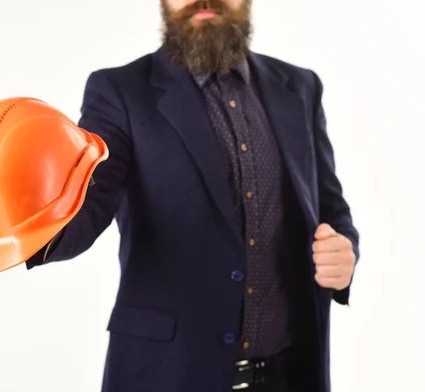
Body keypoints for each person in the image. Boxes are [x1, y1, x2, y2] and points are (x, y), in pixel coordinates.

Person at [26, 0, 360, 391]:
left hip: (289, 376)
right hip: (167, 375)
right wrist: (25, 216)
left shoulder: (300, 87)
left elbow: (330, 209)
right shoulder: (119, 92)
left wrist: (344, 253)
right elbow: (86, 205)